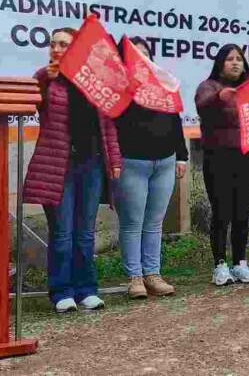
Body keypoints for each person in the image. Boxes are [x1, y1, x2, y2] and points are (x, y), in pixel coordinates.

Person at [23, 27, 122, 313]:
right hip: (58, 166)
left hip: (91, 164)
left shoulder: (93, 81)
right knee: (62, 233)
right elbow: (31, 97)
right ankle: (62, 292)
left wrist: (115, 160)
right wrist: (45, 77)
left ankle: (86, 290)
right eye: (53, 44)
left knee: (85, 233)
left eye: (63, 44)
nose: (56, 49)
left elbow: (107, 126)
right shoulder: (48, 80)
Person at [113, 38, 188, 299]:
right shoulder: (118, 89)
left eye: (145, 54)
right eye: (135, 55)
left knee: (155, 223)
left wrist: (182, 156)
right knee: (132, 223)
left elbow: (175, 120)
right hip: (132, 163)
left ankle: (153, 274)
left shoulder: (164, 84)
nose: (141, 60)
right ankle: (134, 277)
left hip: (165, 162)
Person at [195, 44, 249, 286]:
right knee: (222, 212)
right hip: (218, 158)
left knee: (242, 212)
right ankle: (220, 265)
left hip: (245, 157)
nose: (235, 63)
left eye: (239, 59)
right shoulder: (209, 87)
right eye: (230, 59)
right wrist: (219, 97)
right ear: (220, 63)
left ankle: (240, 263)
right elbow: (202, 105)